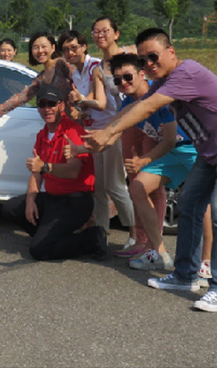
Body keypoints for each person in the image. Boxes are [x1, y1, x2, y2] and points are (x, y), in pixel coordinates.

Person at [84, 28, 217, 312]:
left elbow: (148, 109)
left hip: (200, 152)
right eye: (144, 60)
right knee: (189, 206)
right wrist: (107, 133)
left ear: (171, 52)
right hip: (209, 155)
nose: (150, 64)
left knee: (215, 215)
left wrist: (109, 133)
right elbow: (139, 105)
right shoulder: (163, 81)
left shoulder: (186, 73)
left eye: (154, 56)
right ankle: (185, 276)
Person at [2, 85, 108, 261]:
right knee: (10, 208)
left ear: (61, 106)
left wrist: (45, 166)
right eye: (42, 105)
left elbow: (73, 171)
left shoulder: (73, 132)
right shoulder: (42, 135)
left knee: (39, 251)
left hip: (75, 202)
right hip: (53, 198)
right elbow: (36, 172)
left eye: (51, 104)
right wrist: (30, 201)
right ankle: (49, 238)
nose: (47, 109)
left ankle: (91, 238)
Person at [109, 53, 194, 269]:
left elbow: (169, 140)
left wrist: (143, 160)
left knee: (202, 206)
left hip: (192, 148)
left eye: (128, 77)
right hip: (171, 153)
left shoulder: (160, 96)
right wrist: (84, 145)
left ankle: (204, 264)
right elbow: (114, 128)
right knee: (137, 188)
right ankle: (158, 252)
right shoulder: (128, 101)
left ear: (142, 74)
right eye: (117, 80)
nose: (123, 83)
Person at [78, 17, 136, 247]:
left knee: (116, 185)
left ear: (116, 33)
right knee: (100, 188)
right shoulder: (99, 69)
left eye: (105, 31)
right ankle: (100, 234)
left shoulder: (131, 55)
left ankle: (136, 234)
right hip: (109, 129)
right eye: (95, 31)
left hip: (131, 128)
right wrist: (81, 102)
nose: (100, 35)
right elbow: (101, 102)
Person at [0, 32, 73, 120]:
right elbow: (23, 96)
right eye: (36, 47)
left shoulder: (62, 64)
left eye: (44, 46)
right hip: (58, 122)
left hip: (74, 120)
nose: (40, 51)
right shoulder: (41, 77)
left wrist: (79, 103)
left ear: (53, 48)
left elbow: (79, 81)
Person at [58, 30, 100, 127]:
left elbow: (92, 96)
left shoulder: (95, 66)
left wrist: (80, 100)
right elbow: (85, 104)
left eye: (74, 48)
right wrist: (77, 109)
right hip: (91, 127)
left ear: (84, 47)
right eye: (65, 50)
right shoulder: (75, 75)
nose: (70, 53)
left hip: (108, 124)